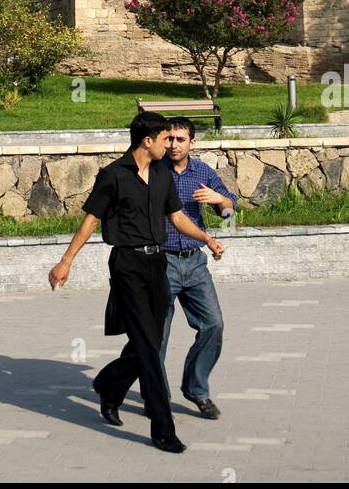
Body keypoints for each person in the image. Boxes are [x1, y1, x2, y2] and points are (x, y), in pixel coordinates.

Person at [47, 111, 225, 453]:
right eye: (164, 140)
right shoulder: (113, 176)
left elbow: (176, 217)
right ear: (148, 140)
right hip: (127, 264)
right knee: (147, 345)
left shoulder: (161, 175)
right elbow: (89, 222)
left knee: (151, 338)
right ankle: (163, 428)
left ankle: (109, 384)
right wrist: (65, 261)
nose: (169, 146)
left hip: (158, 264)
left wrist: (206, 238)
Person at [160, 117, 236, 420]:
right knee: (157, 334)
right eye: (170, 139)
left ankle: (196, 389)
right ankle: (158, 396)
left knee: (213, 324)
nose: (175, 144)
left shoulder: (202, 172)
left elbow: (229, 211)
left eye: (181, 139)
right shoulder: (153, 170)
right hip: (161, 262)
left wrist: (222, 201)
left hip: (194, 263)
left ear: (192, 142)